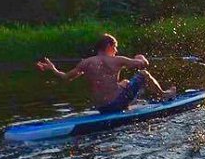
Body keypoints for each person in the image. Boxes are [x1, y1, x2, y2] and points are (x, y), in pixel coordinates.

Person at [35, 33, 176, 113]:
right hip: (115, 104)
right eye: (115, 47)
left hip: (102, 108)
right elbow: (143, 65)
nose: (116, 51)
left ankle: (126, 107)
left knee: (125, 82)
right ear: (109, 46)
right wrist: (140, 57)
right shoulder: (117, 60)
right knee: (144, 73)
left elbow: (66, 78)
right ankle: (164, 94)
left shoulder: (86, 62)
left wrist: (52, 69)